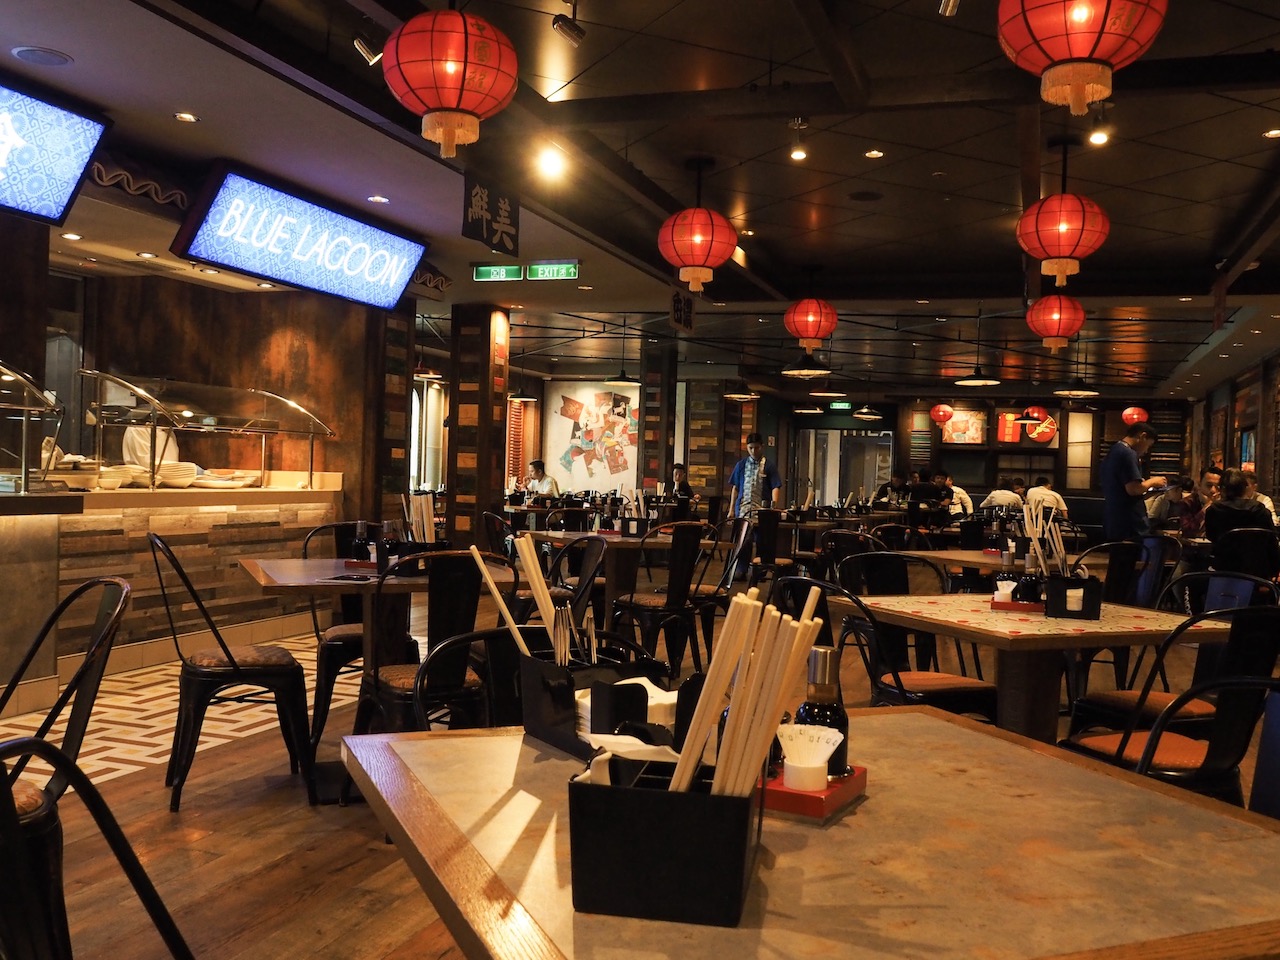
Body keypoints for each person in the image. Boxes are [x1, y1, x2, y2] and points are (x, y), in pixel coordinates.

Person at [1100, 422, 1165, 541]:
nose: (1146, 451)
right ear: (1143, 436)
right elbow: (1133, 489)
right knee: (1129, 551)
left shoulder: (1114, 450)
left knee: (1117, 551)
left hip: (1114, 518)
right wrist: (1153, 482)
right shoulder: (1128, 453)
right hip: (1129, 521)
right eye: (1148, 445)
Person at [1205, 467, 1275, 541]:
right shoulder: (1260, 510)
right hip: (1256, 549)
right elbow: (1272, 538)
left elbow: (1211, 537)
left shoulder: (1214, 510)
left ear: (1222, 489)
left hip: (1224, 549)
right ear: (1244, 488)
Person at [727, 433, 782, 520]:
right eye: (750, 448)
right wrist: (731, 510)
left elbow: (775, 487)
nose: (753, 451)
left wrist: (773, 506)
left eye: (756, 448)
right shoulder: (741, 465)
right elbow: (735, 488)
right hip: (742, 510)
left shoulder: (769, 465)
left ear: (762, 447)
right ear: (747, 447)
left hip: (762, 510)